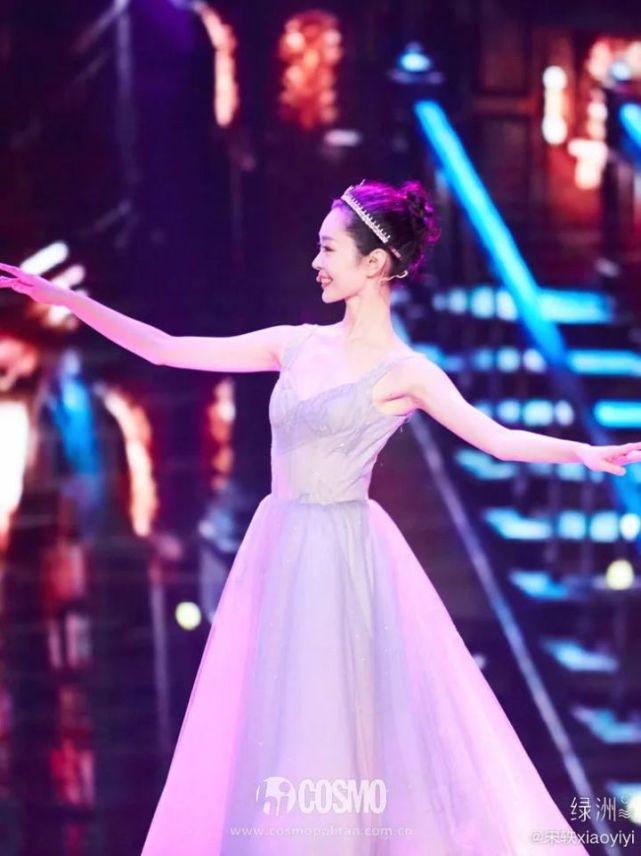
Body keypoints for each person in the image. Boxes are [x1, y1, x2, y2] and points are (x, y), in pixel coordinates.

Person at [2, 179, 637, 855]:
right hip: (277, 546)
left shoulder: (408, 372)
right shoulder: (295, 344)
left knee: (332, 724)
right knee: (271, 724)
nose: (316, 262)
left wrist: (583, 453)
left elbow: (498, 441)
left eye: (329, 249)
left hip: (339, 556)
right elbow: (166, 348)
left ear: (375, 263)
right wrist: (70, 301)